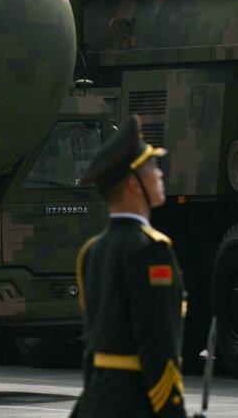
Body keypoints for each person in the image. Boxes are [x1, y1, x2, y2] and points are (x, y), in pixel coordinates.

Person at [71, 116, 187, 418]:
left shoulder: (91, 252)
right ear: (134, 184)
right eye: (151, 166)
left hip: (96, 402)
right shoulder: (151, 251)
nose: (159, 174)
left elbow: (93, 347)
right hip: (135, 404)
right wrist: (173, 412)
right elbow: (158, 345)